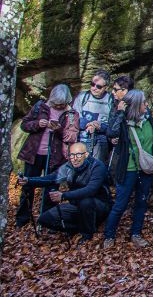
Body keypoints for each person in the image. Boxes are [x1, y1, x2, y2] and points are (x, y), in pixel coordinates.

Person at [18, 142, 112, 242]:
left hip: (99, 205)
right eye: (72, 155)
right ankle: (78, 228)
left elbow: (90, 190)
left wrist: (64, 196)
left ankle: (87, 234)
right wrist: (29, 180)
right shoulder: (68, 167)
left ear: (86, 154)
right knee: (44, 219)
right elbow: (51, 178)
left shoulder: (97, 166)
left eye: (78, 154)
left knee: (86, 202)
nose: (75, 158)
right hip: (76, 205)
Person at [15, 84, 80, 228]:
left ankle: (47, 220)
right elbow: (24, 125)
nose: (58, 107)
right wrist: (38, 124)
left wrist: (59, 130)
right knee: (27, 185)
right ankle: (22, 219)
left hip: (55, 157)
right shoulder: (40, 106)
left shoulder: (71, 114)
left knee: (51, 188)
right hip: (34, 154)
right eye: (56, 104)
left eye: (61, 104)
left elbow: (72, 136)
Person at [103, 89, 153, 249]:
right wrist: (120, 113)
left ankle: (136, 233)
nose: (146, 105)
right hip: (128, 169)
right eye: (143, 103)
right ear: (135, 105)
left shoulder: (148, 118)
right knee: (120, 204)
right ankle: (109, 235)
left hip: (146, 169)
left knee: (141, 202)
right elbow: (111, 132)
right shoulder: (123, 123)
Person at [72, 69, 113, 163]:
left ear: (106, 87)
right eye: (92, 84)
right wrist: (88, 124)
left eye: (98, 86)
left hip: (101, 142)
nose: (94, 88)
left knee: (97, 168)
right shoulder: (82, 97)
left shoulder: (111, 100)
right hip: (82, 139)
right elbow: (74, 118)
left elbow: (113, 124)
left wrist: (100, 126)